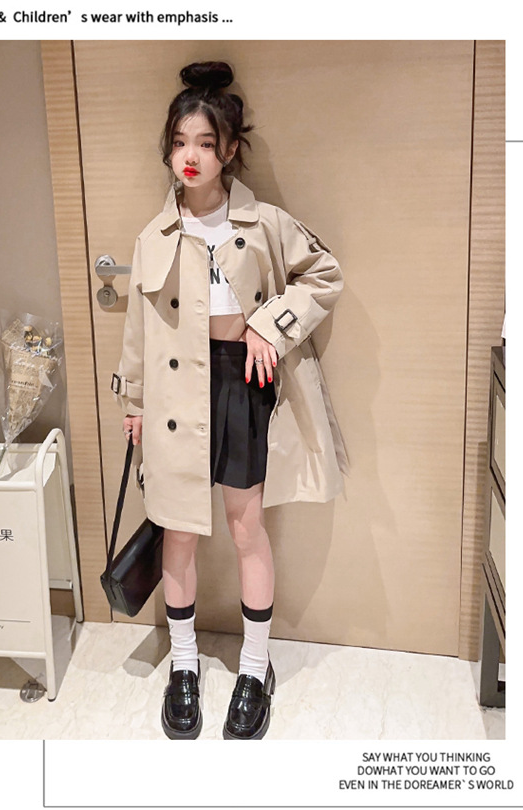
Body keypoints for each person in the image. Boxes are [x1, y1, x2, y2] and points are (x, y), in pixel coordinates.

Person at [113, 61, 348, 740]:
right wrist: (134, 402)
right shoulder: (153, 237)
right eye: (180, 141)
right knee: (178, 531)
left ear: (231, 149)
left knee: (247, 529)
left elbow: (324, 274)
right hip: (172, 396)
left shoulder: (264, 221)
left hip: (242, 383)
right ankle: (183, 664)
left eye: (206, 143)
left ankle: (253, 667)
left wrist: (268, 324)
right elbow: (138, 331)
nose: (190, 156)